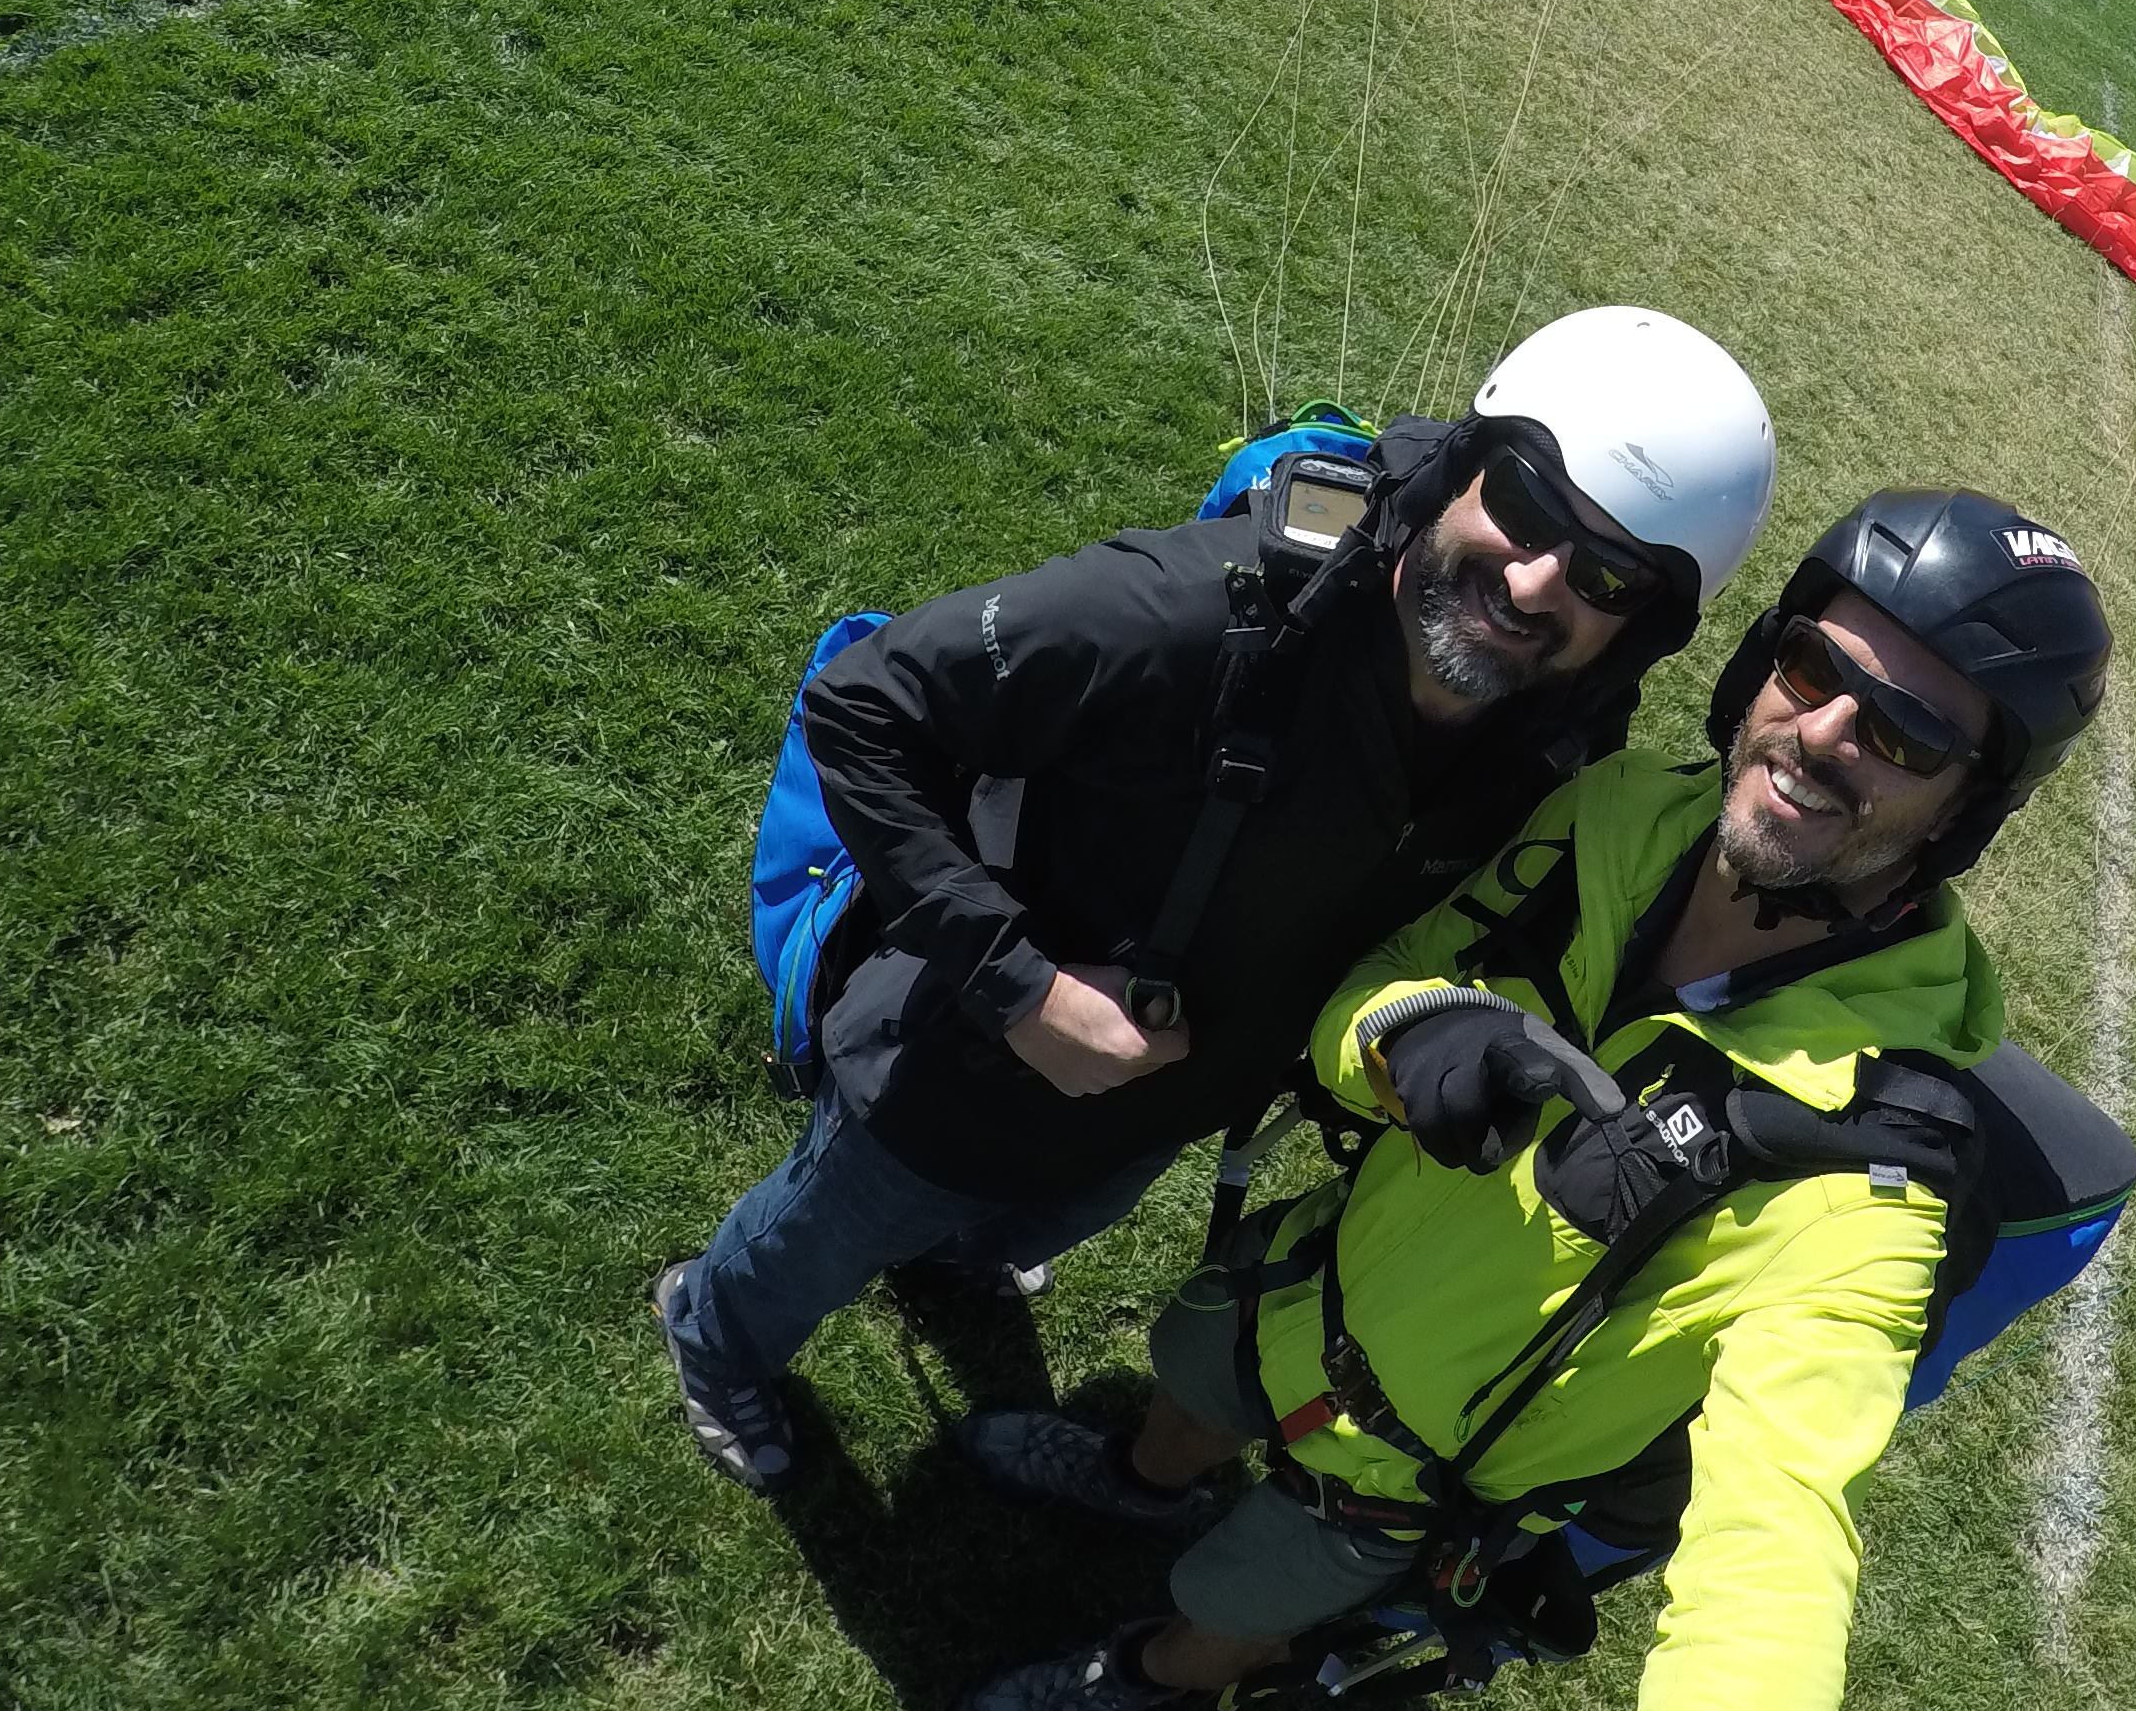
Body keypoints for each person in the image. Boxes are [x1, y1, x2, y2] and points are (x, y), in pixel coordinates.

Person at [954, 489, 2113, 1711]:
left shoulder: (1874, 1159)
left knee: (1233, 1603)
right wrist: (1404, 1033)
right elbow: (1367, 999)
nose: (1822, 738)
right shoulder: (1622, 809)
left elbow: (1778, 1552)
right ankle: (1139, 1477)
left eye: (1905, 733)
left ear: (1963, 810)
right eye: (1813, 670)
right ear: (1763, 663)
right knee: (1183, 1391)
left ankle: (1144, 1672)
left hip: (1403, 1475)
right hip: (1302, 1286)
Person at [654, 308, 1778, 1492]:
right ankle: (714, 1330)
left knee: (1019, 1222)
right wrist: (1017, 986)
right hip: (960, 1066)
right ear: (1464, 464)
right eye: (1529, 501)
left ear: (1639, 626)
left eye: (1604, 573)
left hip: (1171, 1095)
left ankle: (958, 1257)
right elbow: (865, 708)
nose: (1535, 579)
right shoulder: (1193, 611)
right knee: (827, 1230)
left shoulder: (1560, 726)